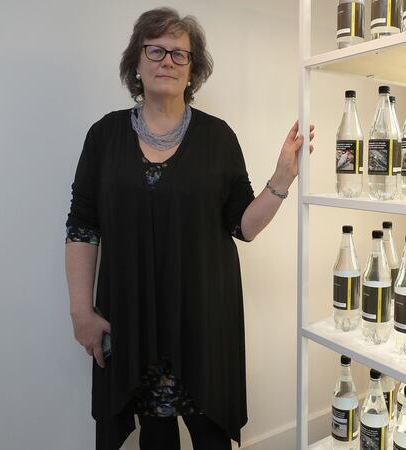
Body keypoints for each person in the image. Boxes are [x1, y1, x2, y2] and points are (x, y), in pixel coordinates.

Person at [65, 8, 314, 450]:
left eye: (180, 54)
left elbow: (243, 226)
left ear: (193, 70)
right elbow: (83, 228)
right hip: (130, 320)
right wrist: (81, 313)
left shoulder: (218, 138)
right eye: (156, 50)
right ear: (136, 63)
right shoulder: (103, 137)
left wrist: (282, 179)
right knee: (155, 439)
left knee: (211, 437)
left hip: (203, 323)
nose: (168, 61)